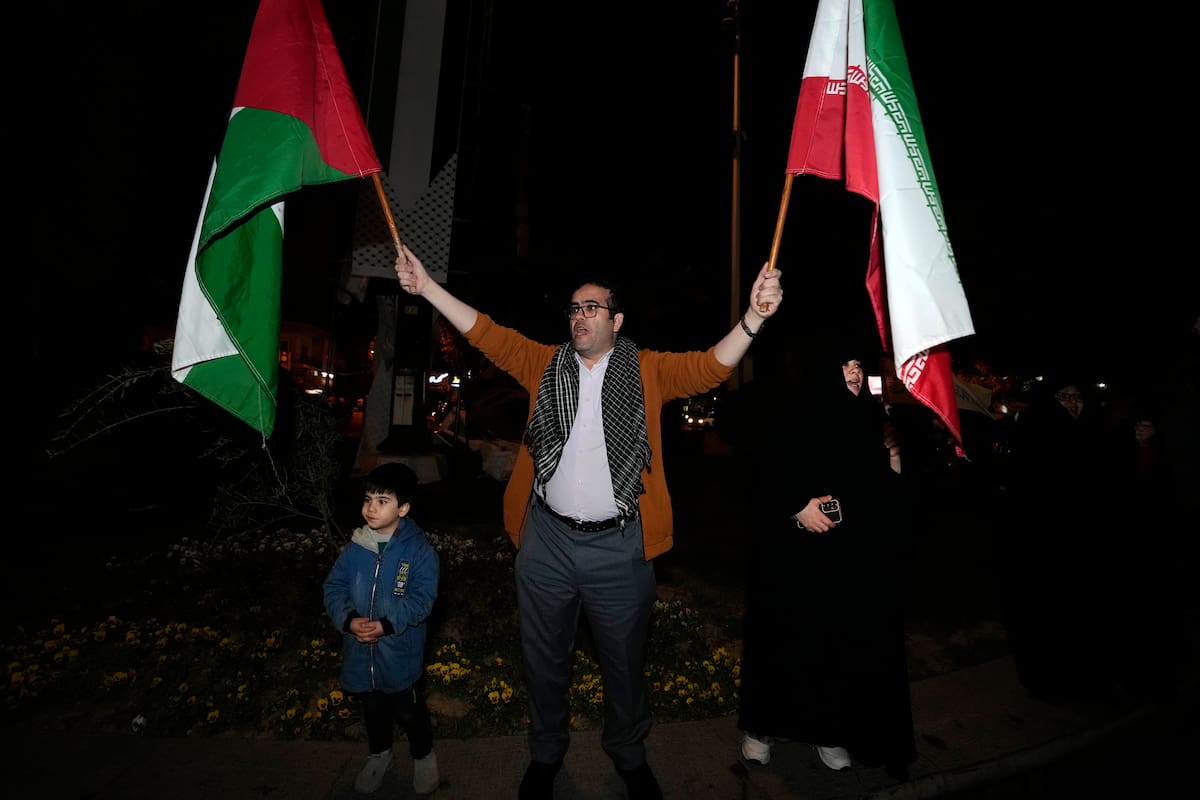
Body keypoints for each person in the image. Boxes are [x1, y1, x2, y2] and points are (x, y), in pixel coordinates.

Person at [394, 243, 783, 800]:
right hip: (546, 540)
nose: (579, 316)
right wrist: (428, 288)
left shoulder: (647, 369)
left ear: (616, 320)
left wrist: (753, 319)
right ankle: (546, 755)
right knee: (544, 661)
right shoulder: (544, 363)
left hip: (620, 547)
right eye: (574, 308)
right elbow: (487, 333)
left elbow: (708, 367)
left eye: (592, 308)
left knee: (624, 666)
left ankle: (628, 754)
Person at [735, 341, 917, 780]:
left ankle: (828, 731)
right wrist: (797, 506)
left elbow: (886, 499)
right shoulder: (790, 415)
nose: (854, 373)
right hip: (789, 558)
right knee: (782, 639)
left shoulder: (873, 421)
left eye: (858, 366)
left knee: (832, 646)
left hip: (847, 561)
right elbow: (760, 473)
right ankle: (764, 729)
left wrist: (894, 463)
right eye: (844, 365)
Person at [1001, 376, 1123, 701]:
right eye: (1064, 396)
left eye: (1077, 396)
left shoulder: (1099, 436)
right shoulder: (1036, 438)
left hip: (1091, 552)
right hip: (1049, 554)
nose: (1072, 402)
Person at [323, 462, 441, 795]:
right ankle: (379, 755)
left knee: (409, 711)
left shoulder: (419, 553)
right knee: (373, 711)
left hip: (400, 654)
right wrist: (348, 620)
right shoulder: (355, 548)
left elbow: (422, 599)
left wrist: (387, 625)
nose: (371, 508)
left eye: (382, 500)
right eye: (368, 499)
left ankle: (424, 756)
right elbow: (333, 588)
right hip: (361, 653)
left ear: (403, 507)